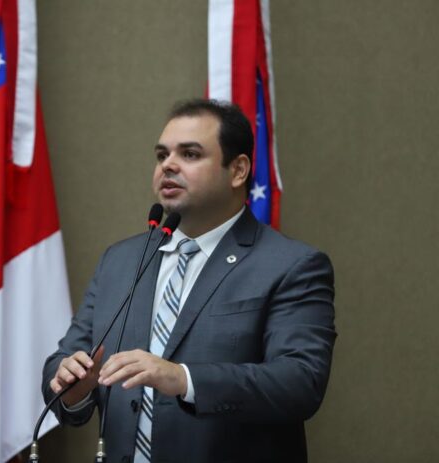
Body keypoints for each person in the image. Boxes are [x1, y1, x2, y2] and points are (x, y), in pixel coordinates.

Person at [42, 98, 336, 462]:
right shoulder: (121, 260)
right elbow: (65, 358)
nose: (168, 165)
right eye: (162, 154)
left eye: (190, 154)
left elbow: (299, 382)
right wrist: (71, 384)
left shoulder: (291, 265)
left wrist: (183, 379)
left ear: (238, 170)